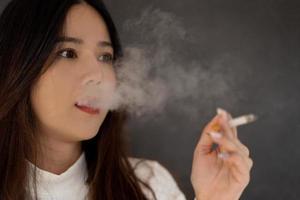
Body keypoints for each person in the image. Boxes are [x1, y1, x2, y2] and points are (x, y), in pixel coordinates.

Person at [0, 0, 253, 199]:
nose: (98, 76)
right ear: (18, 65)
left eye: (105, 57)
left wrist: (213, 197)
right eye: (68, 53)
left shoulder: (148, 185)